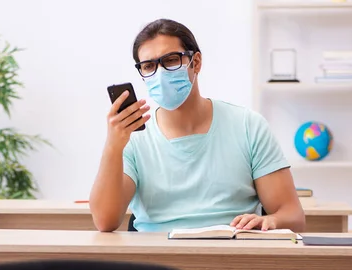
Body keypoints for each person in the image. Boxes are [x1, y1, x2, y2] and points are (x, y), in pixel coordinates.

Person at [90, 18, 305, 233]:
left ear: (196, 62)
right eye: (148, 66)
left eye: (171, 60)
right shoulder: (133, 137)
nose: (161, 73)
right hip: (157, 258)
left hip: (233, 255)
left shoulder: (248, 126)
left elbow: (292, 215)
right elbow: (105, 221)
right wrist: (113, 146)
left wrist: (272, 221)